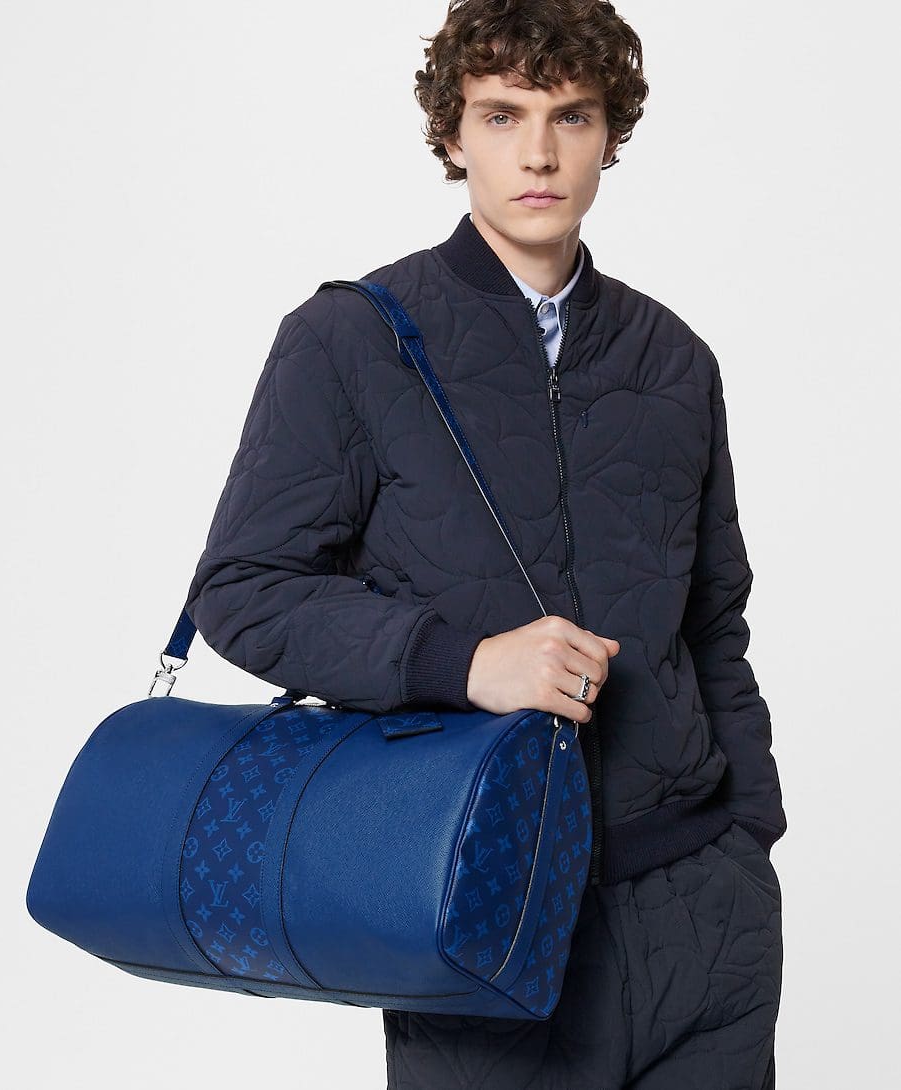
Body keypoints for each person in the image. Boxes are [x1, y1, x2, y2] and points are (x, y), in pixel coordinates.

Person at [184, 1, 786, 1086]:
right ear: (453, 135)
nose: (539, 154)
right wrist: (460, 662)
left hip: (704, 915)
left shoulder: (673, 361)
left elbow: (713, 624)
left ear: (609, 134)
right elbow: (244, 589)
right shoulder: (349, 340)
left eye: (573, 116)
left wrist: (752, 838)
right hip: (485, 917)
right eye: (503, 116)